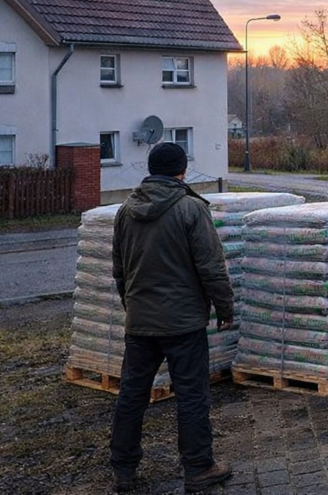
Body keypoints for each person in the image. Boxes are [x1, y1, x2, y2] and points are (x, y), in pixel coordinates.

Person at [110, 142, 235, 493]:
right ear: (182, 171)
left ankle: (123, 470)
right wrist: (224, 308)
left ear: (150, 170)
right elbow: (211, 268)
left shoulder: (125, 211)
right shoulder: (191, 209)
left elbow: (119, 270)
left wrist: (132, 307)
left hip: (140, 322)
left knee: (132, 395)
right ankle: (198, 468)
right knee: (192, 395)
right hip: (183, 324)